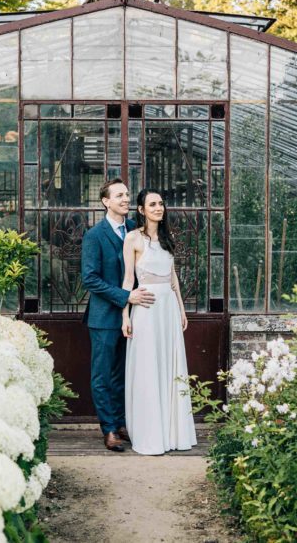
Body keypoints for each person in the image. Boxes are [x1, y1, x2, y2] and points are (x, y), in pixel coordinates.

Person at [81, 178, 156, 452]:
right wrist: (125, 296)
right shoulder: (94, 235)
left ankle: (122, 422)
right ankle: (109, 429)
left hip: (135, 316)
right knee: (102, 375)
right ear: (106, 201)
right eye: (119, 196)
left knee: (124, 374)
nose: (126, 199)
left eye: (127, 195)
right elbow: (89, 279)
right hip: (103, 318)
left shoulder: (136, 233)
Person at [121, 189, 197, 455]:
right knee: (149, 366)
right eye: (152, 204)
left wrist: (182, 309)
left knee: (170, 364)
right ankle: (151, 434)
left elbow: (173, 276)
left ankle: (173, 432)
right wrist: (125, 314)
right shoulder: (133, 239)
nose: (158, 208)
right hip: (146, 308)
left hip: (168, 309)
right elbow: (128, 280)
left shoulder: (168, 238)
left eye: (161, 203)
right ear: (141, 209)